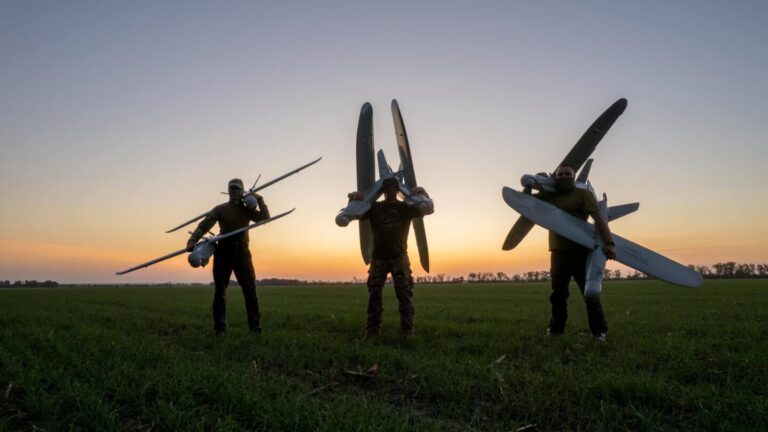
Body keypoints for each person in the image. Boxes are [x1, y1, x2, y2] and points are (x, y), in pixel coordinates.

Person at [532, 164, 615, 341]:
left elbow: (599, 220)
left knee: (589, 294)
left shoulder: (583, 194)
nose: (563, 176)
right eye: (560, 174)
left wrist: (609, 242)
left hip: (581, 252)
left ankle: (599, 331)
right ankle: (556, 330)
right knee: (558, 294)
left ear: (574, 176)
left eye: (567, 174)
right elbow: (531, 203)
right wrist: (532, 183)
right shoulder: (550, 196)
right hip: (558, 252)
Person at [347, 177, 433, 337]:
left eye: (393, 187)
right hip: (379, 257)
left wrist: (423, 193)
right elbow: (356, 213)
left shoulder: (405, 207)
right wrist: (354, 199)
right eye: (387, 187)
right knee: (374, 293)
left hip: (399, 257)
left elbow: (427, 209)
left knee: (404, 294)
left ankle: (407, 330)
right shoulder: (374, 208)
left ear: (398, 189)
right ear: (383, 190)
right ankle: (372, 329)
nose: (390, 190)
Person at [187, 179, 270, 335]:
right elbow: (204, 225)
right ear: (228, 191)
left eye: (238, 189)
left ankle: (255, 329)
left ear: (243, 191)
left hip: (242, 253)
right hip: (223, 252)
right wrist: (192, 240)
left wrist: (259, 199)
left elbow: (265, 218)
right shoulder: (220, 209)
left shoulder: (247, 210)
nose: (235, 192)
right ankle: (220, 329)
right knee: (220, 292)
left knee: (250, 291)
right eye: (232, 189)